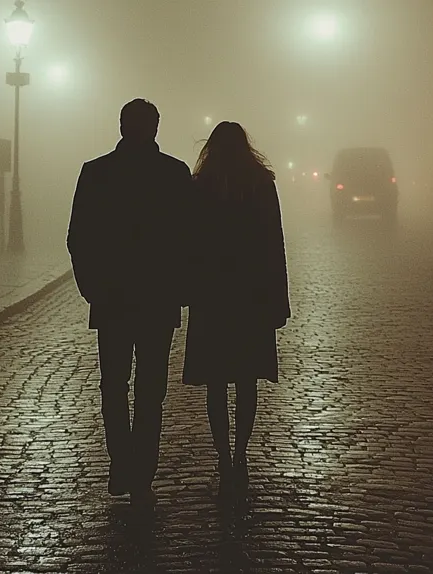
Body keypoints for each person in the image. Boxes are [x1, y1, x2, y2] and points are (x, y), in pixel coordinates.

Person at [66, 99, 192, 507]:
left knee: (114, 386)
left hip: (113, 298)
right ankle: (142, 475)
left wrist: (91, 288)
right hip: (157, 299)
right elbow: (190, 241)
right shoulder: (174, 174)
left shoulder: (97, 172)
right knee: (150, 390)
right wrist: (181, 289)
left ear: (121, 126)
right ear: (156, 128)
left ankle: (122, 464)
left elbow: (78, 236)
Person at [182, 121, 290, 500]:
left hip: (213, 296)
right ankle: (241, 453)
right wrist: (280, 300)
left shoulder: (200, 188)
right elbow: (274, 245)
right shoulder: (261, 187)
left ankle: (224, 456)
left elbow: (189, 244)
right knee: (246, 381)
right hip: (252, 295)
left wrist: (187, 290)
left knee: (216, 383)